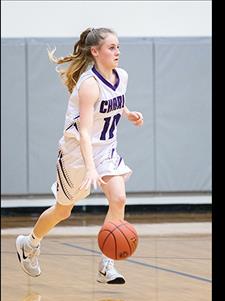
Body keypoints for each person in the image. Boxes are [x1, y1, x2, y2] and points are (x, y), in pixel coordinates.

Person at [16, 27, 144, 284]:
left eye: (118, 46)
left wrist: (127, 113)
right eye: (111, 47)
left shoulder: (122, 76)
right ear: (95, 52)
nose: (117, 52)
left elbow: (114, 100)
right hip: (77, 154)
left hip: (106, 150)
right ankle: (29, 244)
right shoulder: (89, 85)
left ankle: (106, 265)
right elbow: (84, 132)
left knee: (118, 199)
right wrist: (90, 168)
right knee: (63, 211)